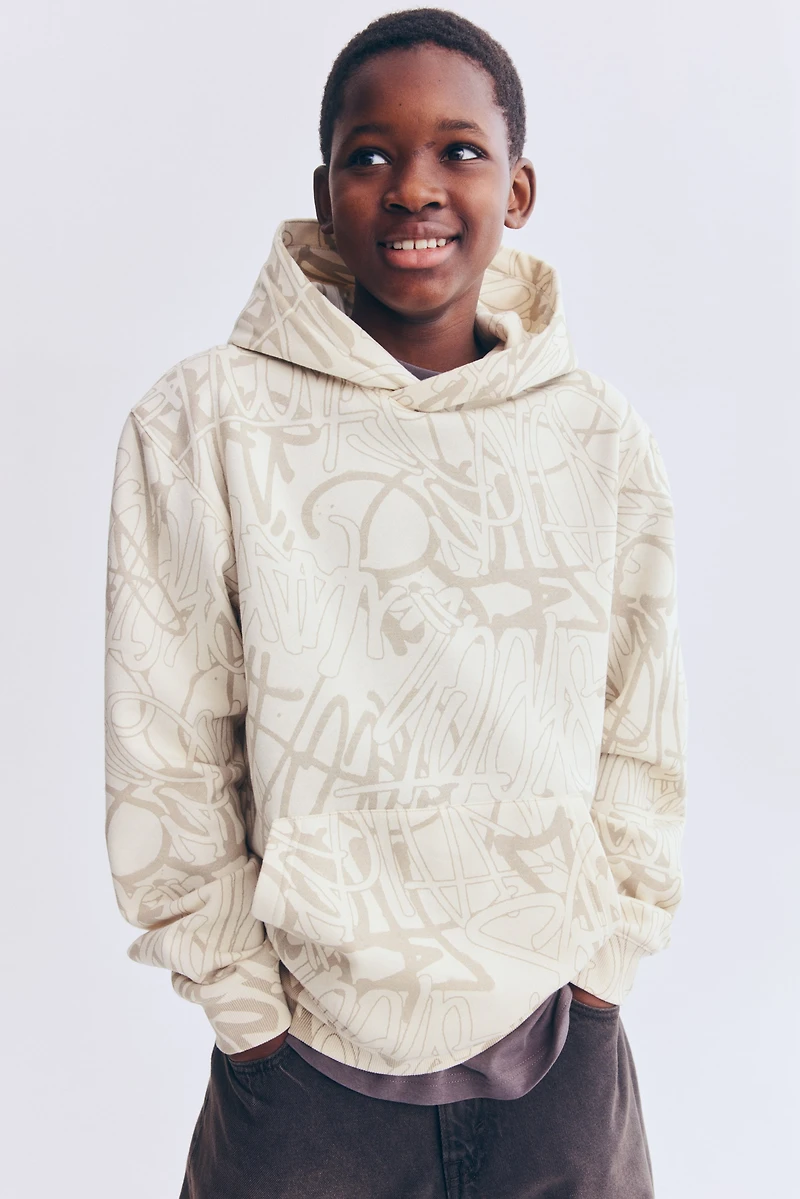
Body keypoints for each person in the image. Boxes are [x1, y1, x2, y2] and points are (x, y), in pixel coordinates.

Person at [104, 9, 687, 1197]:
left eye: (457, 151)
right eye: (369, 154)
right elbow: (164, 746)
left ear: (517, 188)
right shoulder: (205, 424)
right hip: (303, 1083)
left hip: (559, 1057)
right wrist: (249, 1021)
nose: (413, 186)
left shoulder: (596, 436)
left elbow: (639, 726)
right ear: (324, 195)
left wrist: (599, 976)